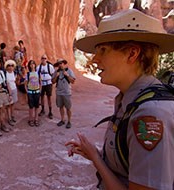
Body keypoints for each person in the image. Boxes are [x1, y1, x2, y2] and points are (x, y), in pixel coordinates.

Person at [65, 9, 174, 189]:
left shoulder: (150, 114)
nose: (95, 60)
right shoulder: (131, 99)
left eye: (103, 50)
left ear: (132, 54)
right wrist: (96, 155)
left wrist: (96, 159)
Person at [52, 59, 75, 129]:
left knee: (68, 108)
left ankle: (69, 121)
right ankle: (62, 119)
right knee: (60, 107)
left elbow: (73, 81)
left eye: (61, 63)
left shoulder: (69, 71)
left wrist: (67, 75)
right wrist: (56, 76)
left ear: (64, 63)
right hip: (59, 92)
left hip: (66, 92)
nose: (60, 65)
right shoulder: (56, 72)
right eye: (58, 63)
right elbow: (53, 81)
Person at [36, 54, 55, 119]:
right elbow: (37, 75)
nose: (44, 59)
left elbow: (53, 74)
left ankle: (50, 111)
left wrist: (52, 82)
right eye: (42, 58)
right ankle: (43, 109)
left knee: (49, 97)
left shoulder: (50, 66)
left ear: (46, 59)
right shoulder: (38, 67)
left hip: (49, 83)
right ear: (41, 59)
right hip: (42, 84)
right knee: (41, 97)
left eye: (45, 58)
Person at [25, 60, 41, 127]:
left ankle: (36, 119)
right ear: (29, 66)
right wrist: (27, 92)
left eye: (33, 64)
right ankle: (31, 119)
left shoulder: (38, 73)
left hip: (37, 91)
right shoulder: (28, 74)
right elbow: (25, 84)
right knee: (31, 107)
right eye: (31, 64)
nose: (32, 65)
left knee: (36, 106)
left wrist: (40, 91)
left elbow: (40, 83)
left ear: (35, 65)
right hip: (30, 92)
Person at [4, 59, 18, 126]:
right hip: (8, 91)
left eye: (12, 65)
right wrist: (9, 92)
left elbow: (15, 81)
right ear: (6, 67)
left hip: (14, 89)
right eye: (9, 65)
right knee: (8, 105)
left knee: (13, 104)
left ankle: (12, 116)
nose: (10, 67)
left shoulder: (14, 73)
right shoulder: (5, 74)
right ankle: (9, 118)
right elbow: (6, 83)